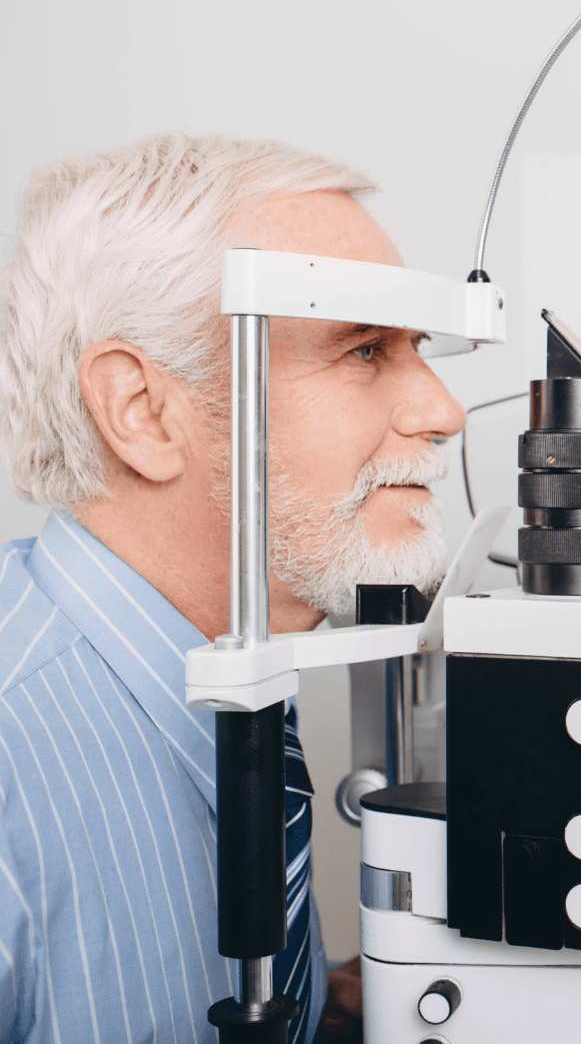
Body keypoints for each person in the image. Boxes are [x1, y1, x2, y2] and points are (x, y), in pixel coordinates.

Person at [0, 133, 467, 1042]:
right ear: (143, 412)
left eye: (417, 345)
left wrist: (316, 1006)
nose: (443, 410)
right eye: (363, 350)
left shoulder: (236, 673)